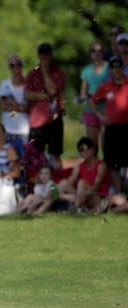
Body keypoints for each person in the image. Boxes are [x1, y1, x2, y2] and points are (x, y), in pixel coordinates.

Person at [90, 55, 128, 193]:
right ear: (110, 70)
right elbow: (93, 100)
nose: (116, 70)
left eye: (118, 66)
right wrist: (100, 115)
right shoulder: (106, 86)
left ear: (122, 68)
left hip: (126, 128)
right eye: (113, 67)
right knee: (113, 164)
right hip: (112, 129)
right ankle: (118, 196)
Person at [24, 43, 66, 169]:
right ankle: (36, 185)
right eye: (42, 54)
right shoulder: (32, 73)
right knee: (35, 154)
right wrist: (45, 97)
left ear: (51, 55)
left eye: (47, 54)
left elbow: (53, 90)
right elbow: (27, 94)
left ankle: (58, 181)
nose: (44, 57)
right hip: (37, 121)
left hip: (54, 119)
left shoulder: (58, 72)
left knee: (55, 154)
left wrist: (45, 72)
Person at [57, 137, 110, 213]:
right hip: (82, 196)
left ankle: (75, 207)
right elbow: (69, 182)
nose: (85, 151)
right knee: (63, 183)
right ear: (79, 153)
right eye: (81, 149)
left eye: (87, 148)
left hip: (98, 196)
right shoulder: (79, 167)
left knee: (82, 182)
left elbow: (95, 188)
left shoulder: (101, 165)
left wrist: (76, 195)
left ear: (93, 150)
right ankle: (50, 203)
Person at [79, 41, 109, 150]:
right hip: (91, 108)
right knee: (92, 145)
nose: (96, 53)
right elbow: (83, 93)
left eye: (99, 51)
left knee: (107, 144)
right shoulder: (86, 71)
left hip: (107, 108)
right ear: (90, 54)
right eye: (93, 51)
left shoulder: (109, 68)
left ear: (103, 53)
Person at [0, 55, 29, 157]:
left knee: (23, 160)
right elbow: (3, 107)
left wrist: (11, 104)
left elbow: (28, 108)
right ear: (9, 68)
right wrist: (20, 107)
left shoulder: (28, 84)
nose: (16, 67)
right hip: (7, 130)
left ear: (22, 66)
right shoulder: (4, 84)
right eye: (12, 65)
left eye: (18, 64)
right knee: (8, 161)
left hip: (23, 131)